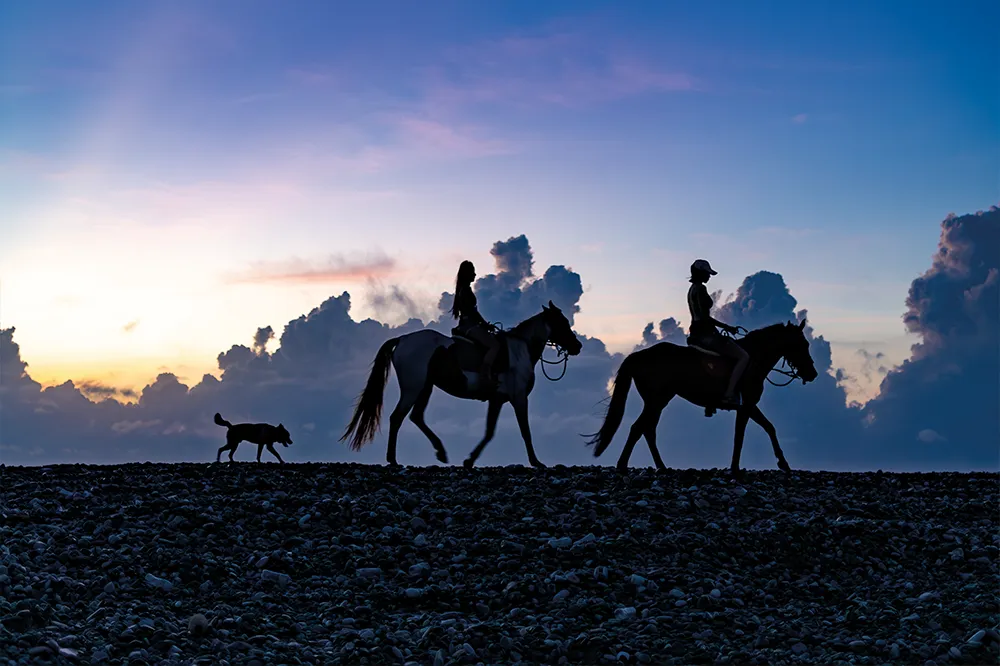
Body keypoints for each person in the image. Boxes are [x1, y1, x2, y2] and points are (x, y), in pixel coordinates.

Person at [687, 259, 750, 407]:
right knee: (743, 356)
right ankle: (729, 394)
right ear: (701, 273)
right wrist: (727, 327)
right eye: (707, 274)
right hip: (706, 334)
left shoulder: (692, 289)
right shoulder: (700, 289)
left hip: (696, 332)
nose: (709, 277)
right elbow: (705, 318)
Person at [451, 260, 501, 389]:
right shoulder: (466, 291)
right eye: (472, 271)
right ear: (467, 273)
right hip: (469, 326)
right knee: (494, 345)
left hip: (466, 324)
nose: (475, 274)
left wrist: (484, 324)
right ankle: (485, 376)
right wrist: (484, 325)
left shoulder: (463, 289)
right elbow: (473, 312)